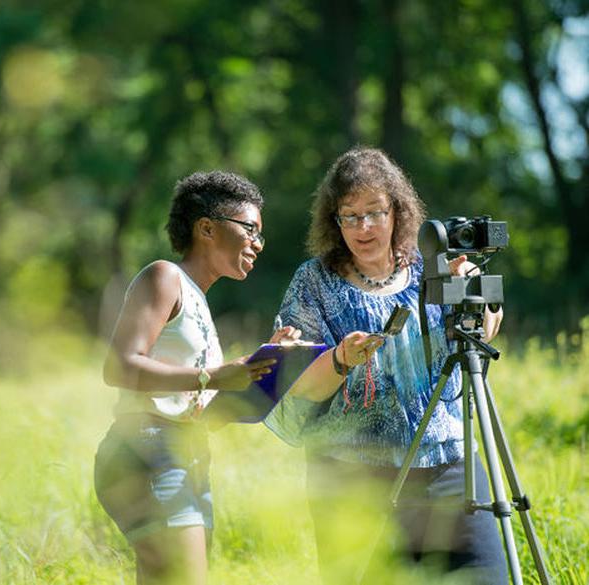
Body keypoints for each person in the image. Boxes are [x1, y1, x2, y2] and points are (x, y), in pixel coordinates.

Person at [264, 148, 507, 584]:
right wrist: (339, 359)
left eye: (374, 212)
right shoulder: (314, 282)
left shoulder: (431, 269)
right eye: (349, 216)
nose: (363, 227)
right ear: (332, 221)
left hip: (449, 470)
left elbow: (481, 330)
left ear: (398, 211)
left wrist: (477, 302)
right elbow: (295, 387)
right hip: (353, 481)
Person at [95, 170, 299, 585]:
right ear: (207, 228)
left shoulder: (200, 301)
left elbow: (203, 410)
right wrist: (214, 376)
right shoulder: (164, 277)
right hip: (149, 449)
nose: (258, 243)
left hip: (184, 453)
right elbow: (119, 366)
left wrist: (264, 367)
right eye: (250, 229)